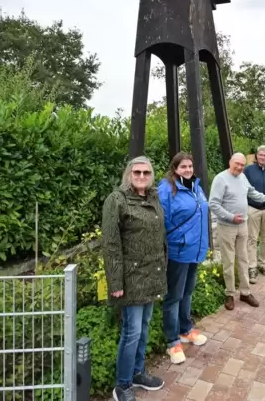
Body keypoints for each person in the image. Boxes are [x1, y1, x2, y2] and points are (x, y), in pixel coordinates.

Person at [101, 156, 166, 401]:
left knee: (145, 327)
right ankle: (122, 384)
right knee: (131, 331)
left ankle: (138, 373)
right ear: (129, 174)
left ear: (151, 175)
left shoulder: (153, 197)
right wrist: (115, 282)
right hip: (131, 279)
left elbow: (160, 237)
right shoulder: (116, 200)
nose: (141, 177)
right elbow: (110, 244)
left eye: (146, 173)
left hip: (152, 275)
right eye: (137, 172)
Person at [208, 153, 265, 310]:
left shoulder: (242, 177)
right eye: (237, 164)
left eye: (242, 164)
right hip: (227, 226)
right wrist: (231, 217)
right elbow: (213, 204)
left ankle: (245, 292)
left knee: (244, 259)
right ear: (230, 162)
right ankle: (230, 294)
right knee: (229, 261)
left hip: (243, 225)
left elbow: (252, 193)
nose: (240, 167)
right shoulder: (220, 179)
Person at [157, 152, 210, 365]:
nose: (187, 170)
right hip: (178, 251)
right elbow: (163, 221)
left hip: (195, 251)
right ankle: (172, 341)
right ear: (175, 169)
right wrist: (178, 240)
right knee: (173, 296)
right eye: (183, 167)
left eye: (190, 166)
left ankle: (185, 329)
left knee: (187, 292)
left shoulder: (196, 187)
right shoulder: (167, 189)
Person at [243, 145, 265, 284]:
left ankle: (262, 264)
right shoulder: (248, 170)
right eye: (261, 155)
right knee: (252, 239)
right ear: (256, 156)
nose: (263, 157)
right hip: (253, 208)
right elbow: (244, 189)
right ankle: (252, 268)